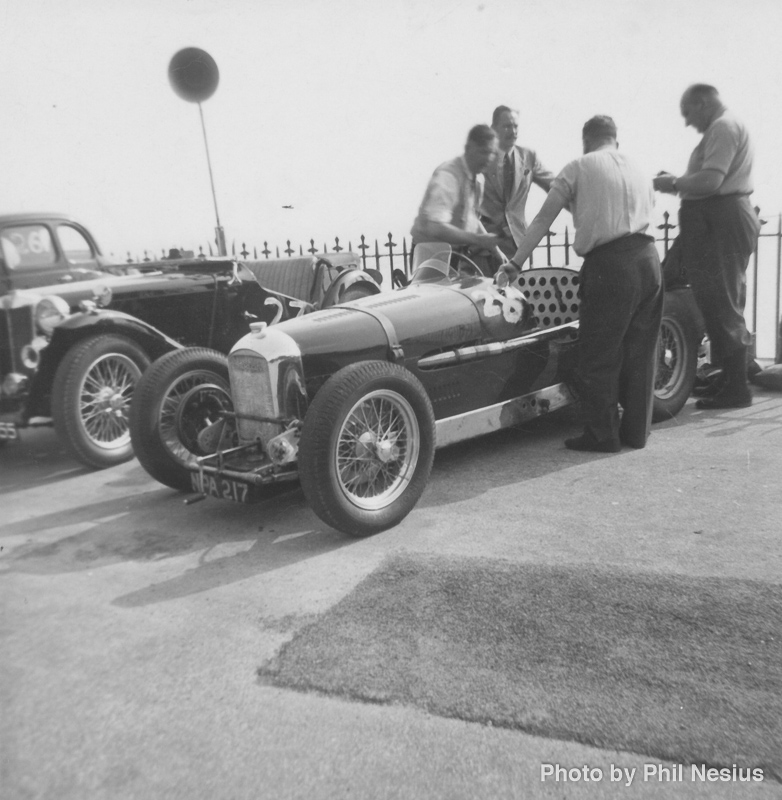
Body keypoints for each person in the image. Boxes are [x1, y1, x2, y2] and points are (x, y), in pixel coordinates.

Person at [501, 115, 663, 453]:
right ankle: (637, 433)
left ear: (586, 140)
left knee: (598, 354)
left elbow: (544, 218)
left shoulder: (579, 166)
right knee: (642, 353)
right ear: (614, 139)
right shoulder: (638, 167)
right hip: (648, 260)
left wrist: (516, 262)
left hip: (609, 264)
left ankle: (602, 435)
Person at [653, 84, 761, 409]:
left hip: (721, 218)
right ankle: (730, 380)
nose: (687, 122)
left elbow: (712, 181)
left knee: (724, 301)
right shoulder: (723, 127)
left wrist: (672, 183)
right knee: (717, 300)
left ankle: (737, 388)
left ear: (702, 103)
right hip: (716, 219)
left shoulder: (724, 127)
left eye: (688, 113)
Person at [410, 124, 501, 273]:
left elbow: (471, 218)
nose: (489, 159)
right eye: (484, 152)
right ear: (469, 148)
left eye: (492, 153)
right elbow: (436, 227)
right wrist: (478, 240)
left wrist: (495, 249)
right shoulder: (449, 176)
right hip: (429, 254)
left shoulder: (478, 179)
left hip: (455, 253)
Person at [481, 105, 555, 259]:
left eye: (515, 126)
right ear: (493, 128)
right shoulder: (482, 158)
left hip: (516, 243)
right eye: (507, 126)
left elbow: (556, 186)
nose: (513, 132)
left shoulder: (528, 156)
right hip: (485, 246)